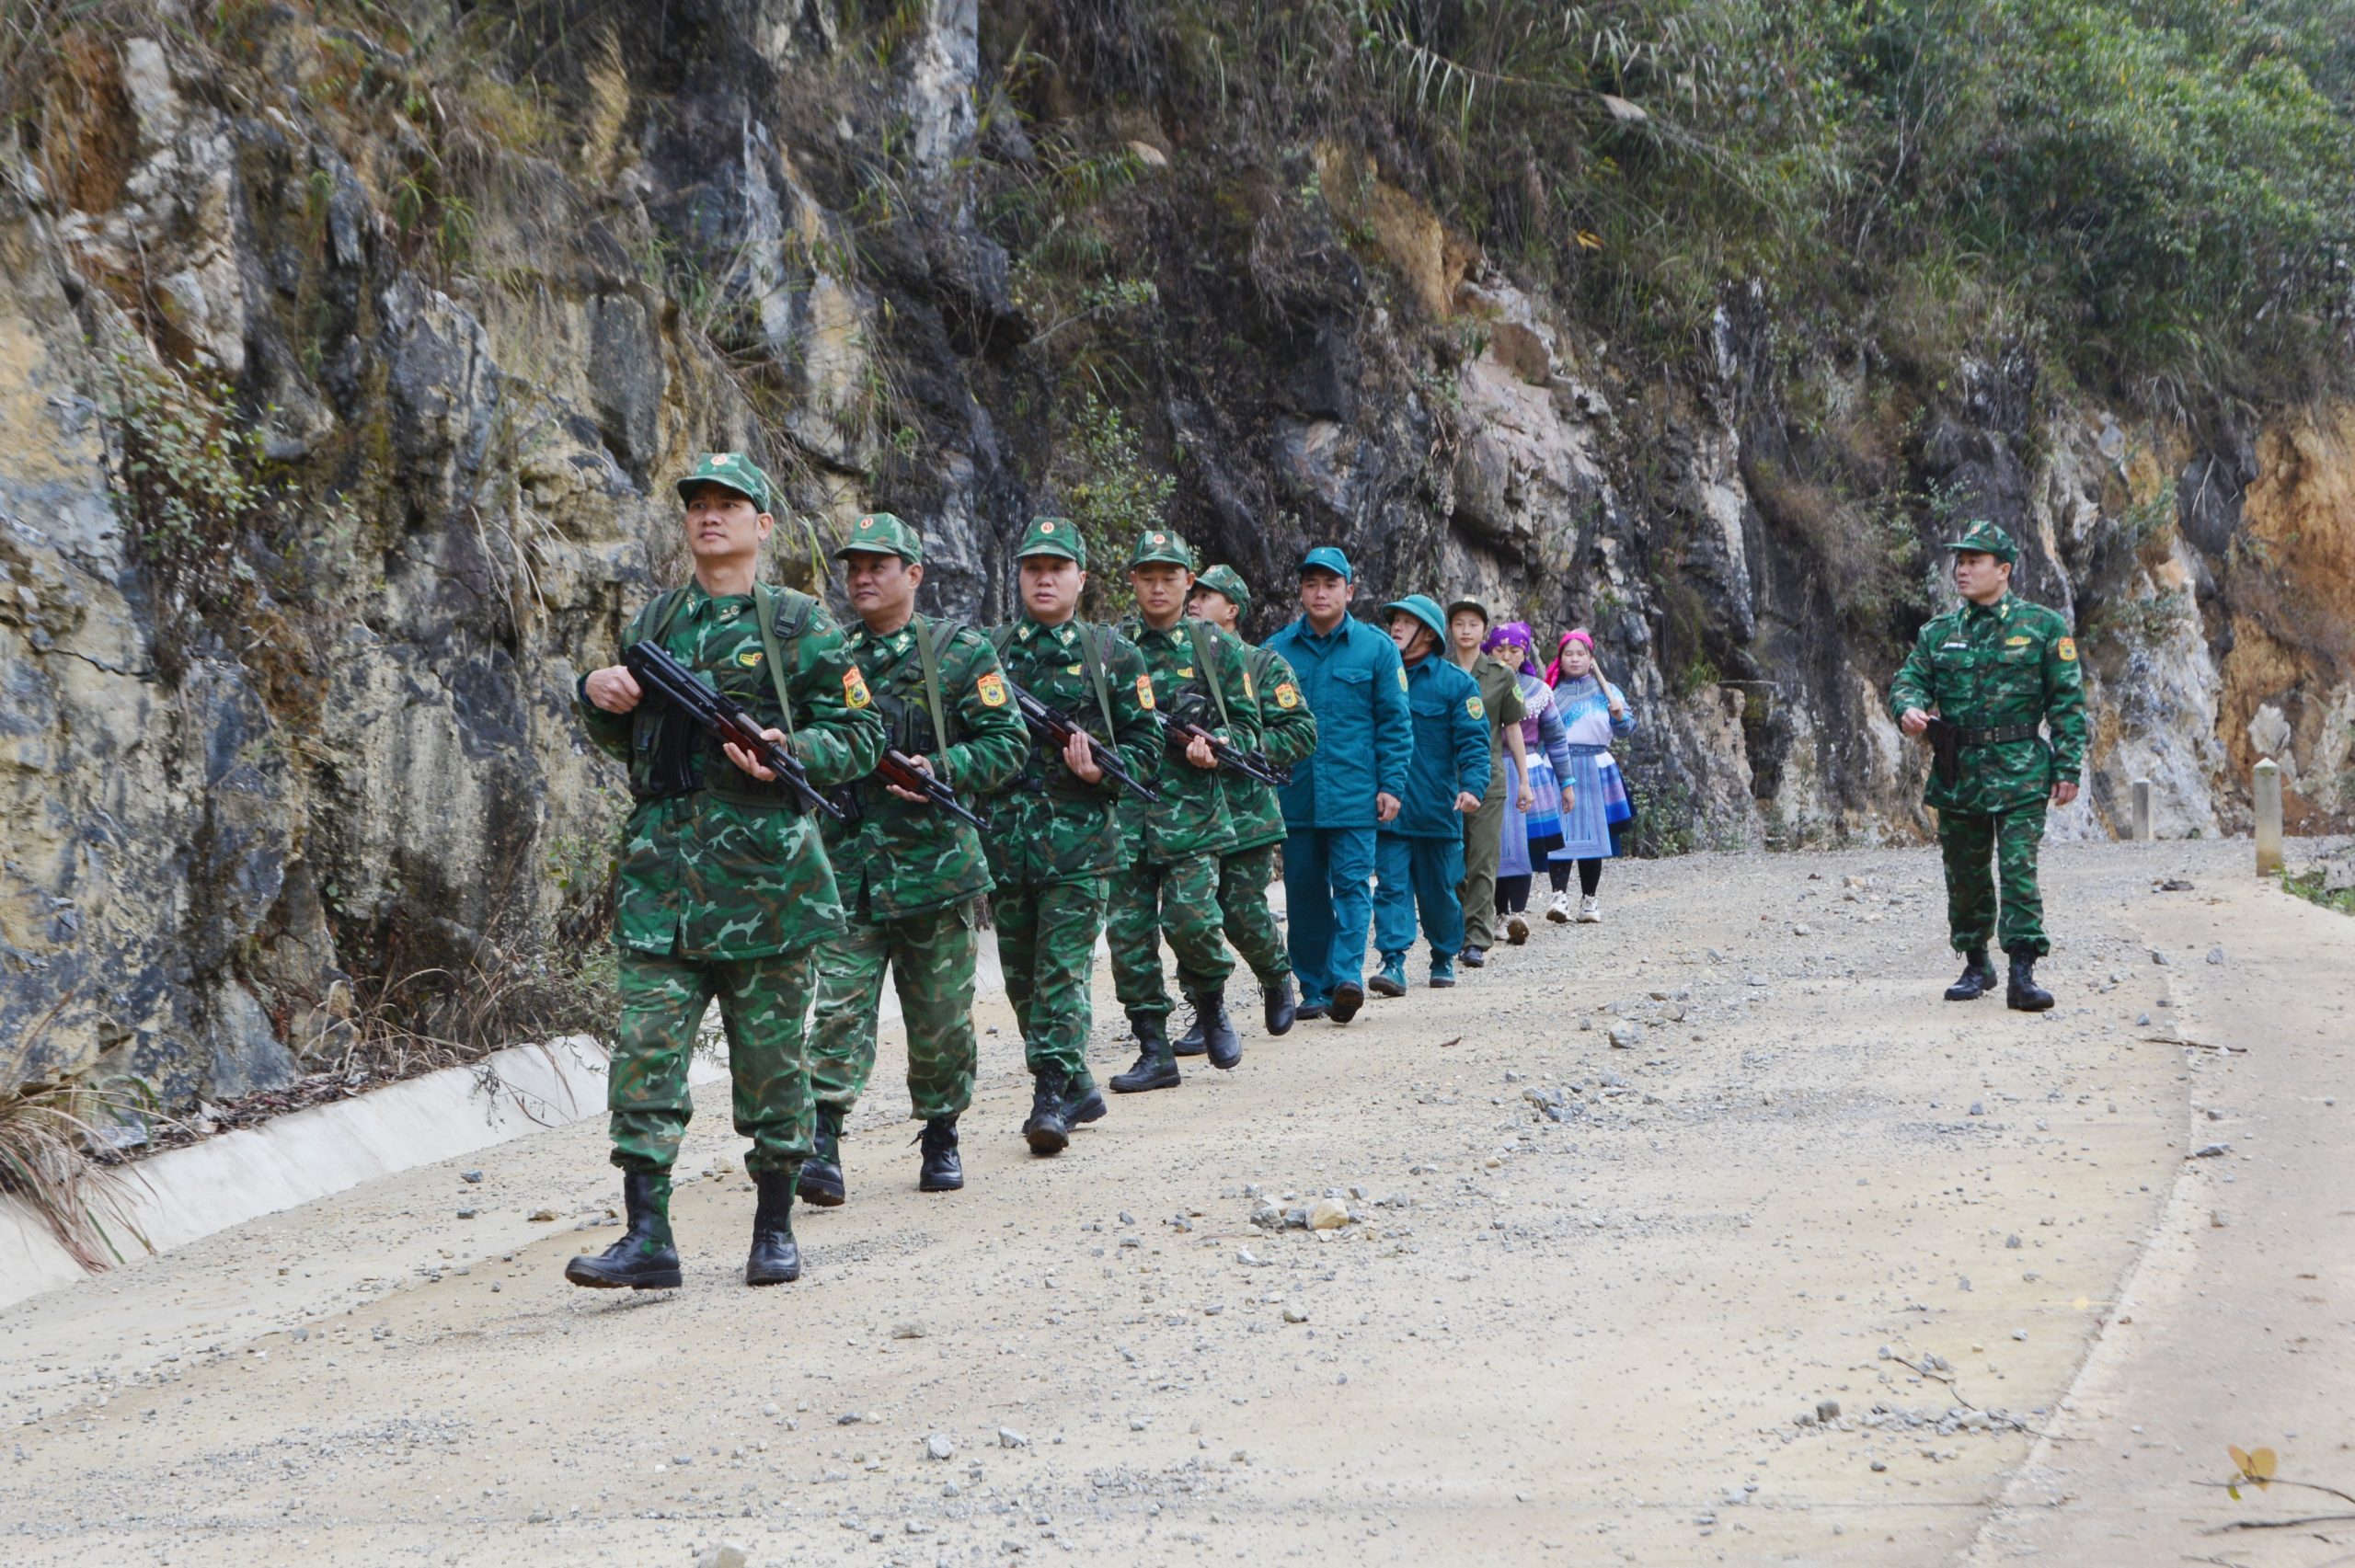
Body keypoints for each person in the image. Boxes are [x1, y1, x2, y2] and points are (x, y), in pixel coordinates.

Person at [567, 452, 885, 1291]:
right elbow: (636, 744)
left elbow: (860, 736)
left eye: (729, 505)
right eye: (699, 506)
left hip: (766, 885)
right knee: (643, 1057)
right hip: (662, 881)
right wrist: (597, 695)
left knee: (772, 1064)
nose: (711, 517)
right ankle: (648, 1236)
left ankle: (774, 1226)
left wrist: (790, 751)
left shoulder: (798, 625)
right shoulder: (659, 620)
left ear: (762, 525)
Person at [797, 513, 1028, 1207]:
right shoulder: (827, 657)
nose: (863, 577)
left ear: (915, 574)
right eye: (854, 567)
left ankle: (941, 1132)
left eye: (880, 565)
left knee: (939, 1023)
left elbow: (1008, 744)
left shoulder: (960, 653)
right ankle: (822, 1141)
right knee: (836, 1013)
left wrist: (942, 766)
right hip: (849, 871)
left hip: (936, 872)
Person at [982, 517, 1158, 1151]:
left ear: (1081, 578)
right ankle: (1079, 1083)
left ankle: (1049, 1096)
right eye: (1033, 568)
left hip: (1081, 845)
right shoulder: (987, 652)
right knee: (1022, 981)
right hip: (1004, 845)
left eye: (1057, 568)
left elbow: (1146, 747)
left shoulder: (1113, 655)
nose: (1045, 578)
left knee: (1060, 973)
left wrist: (1101, 768)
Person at [1888, 520, 2086, 1011]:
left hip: (2021, 770)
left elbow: (2067, 702)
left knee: (2018, 870)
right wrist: (1908, 708)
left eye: (1974, 561)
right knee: (1966, 873)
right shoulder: (1940, 632)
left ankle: (2023, 970)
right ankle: (1976, 963)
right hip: (1959, 772)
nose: (1963, 569)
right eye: (1960, 561)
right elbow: (1909, 680)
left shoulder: (2043, 628)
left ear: (2004, 570)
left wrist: (2068, 767)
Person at [1104, 528, 1254, 1093]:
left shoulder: (1216, 647)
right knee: (1129, 938)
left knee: (1192, 922)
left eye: (1171, 576)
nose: (1159, 586)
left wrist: (1216, 747)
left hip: (1193, 814)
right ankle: (1152, 1048)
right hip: (1125, 817)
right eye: (1148, 576)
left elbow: (1248, 725)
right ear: (1134, 582)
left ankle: (1210, 1004)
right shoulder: (1111, 647)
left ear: (1188, 582)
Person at [1263, 547, 1412, 1024]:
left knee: (1352, 885)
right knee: (1304, 891)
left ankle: (1346, 976)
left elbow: (1395, 723)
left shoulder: (1376, 649)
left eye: (1331, 584)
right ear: (1301, 591)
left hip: (1354, 793)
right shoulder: (1275, 651)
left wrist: (1391, 784)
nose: (1320, 592)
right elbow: (1259, 723)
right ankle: (1313, 987)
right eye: (1311, 584)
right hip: (1296, 794)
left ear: (1349, 590)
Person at [1178, 563, 1319, 1052]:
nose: (1193, 601)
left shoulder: (1265, 665)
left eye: (1207, 595)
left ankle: (1275, 971)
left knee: (1240, 911)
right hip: (1188, 814)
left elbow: (1302, 732)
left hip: (1246, 815)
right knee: (1191, 912)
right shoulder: (1174, 658)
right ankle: (1204, 1011)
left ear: (1232, 609)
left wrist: (1237, 747)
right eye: (1191, 593)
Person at [1370, 595, 1489, 994]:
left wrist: (1472, 787)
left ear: (1429, 633)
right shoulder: (1378, 677)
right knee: (1390, 890)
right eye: (1395, 621)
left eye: (1407, 621)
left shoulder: (1456, 684)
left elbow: (1475, 743)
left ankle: (1443, 954)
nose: (1396, 628)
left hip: (1438, 811)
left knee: (1440, 894)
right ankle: (1393, 962)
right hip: (1389, 812)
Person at [1443, 600, 1528, 967]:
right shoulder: (1437, 672)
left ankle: (1476, 938)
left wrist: (1524, 780)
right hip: (1444, 780)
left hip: (1489, 781)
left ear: (1483, 631)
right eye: (1459, 623)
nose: (1465, 630)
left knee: (1482, 858)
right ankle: (1458, 929)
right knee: (1450, 860)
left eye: (1473, 624)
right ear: (1450, 629)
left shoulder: (1501, 675)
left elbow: (1512, 729)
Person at [1483, 620, 1574, 943]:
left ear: (1525, 653)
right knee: (1490, 845)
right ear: (1489, 650)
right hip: (1489, 768)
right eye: (1499, 649)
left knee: (1520, 846)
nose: (1507, 656)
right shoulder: (1478, 684)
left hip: (1529, 771)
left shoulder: (1538, 692)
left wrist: (1567, 782)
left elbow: (1557, 738)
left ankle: (1517, 914)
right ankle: (1498, 913)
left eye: (1514, 650)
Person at [1545, 629, 1635, 922]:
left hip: (1597, 764)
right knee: (1560, 833)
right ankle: (1559, 897)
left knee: (1594, 834)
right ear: (1561, 658)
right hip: (1560, 766)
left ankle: (1589, 900)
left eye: (1580, 653)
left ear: (1590, 658)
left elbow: (1625, 730)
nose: (1574, 659)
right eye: (1568, 654)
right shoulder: (1550, 692)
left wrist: (1619, 716)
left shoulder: (1608, 691)